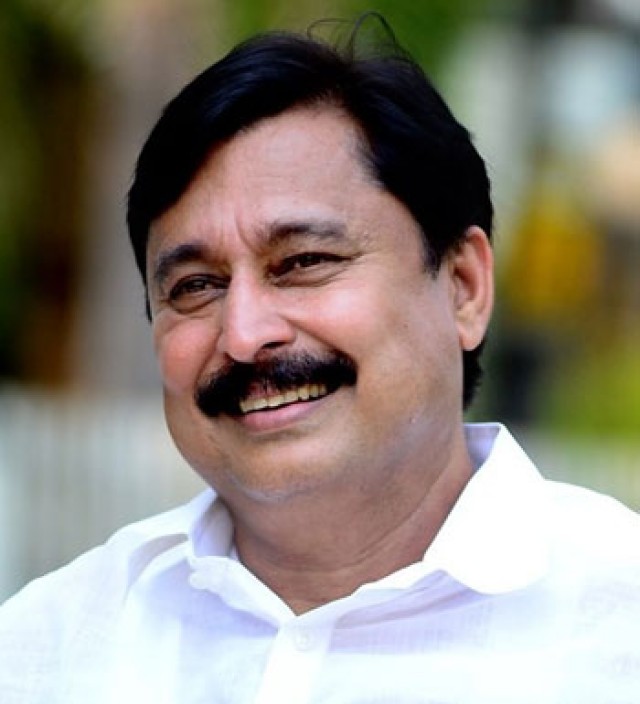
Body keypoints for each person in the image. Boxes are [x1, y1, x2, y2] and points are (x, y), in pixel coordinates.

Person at [2, 16, 640, 703]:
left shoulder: (616, 627)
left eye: (304, 261)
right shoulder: (47, 652)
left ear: (464, 287)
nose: (244, 335)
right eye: (196, 286)